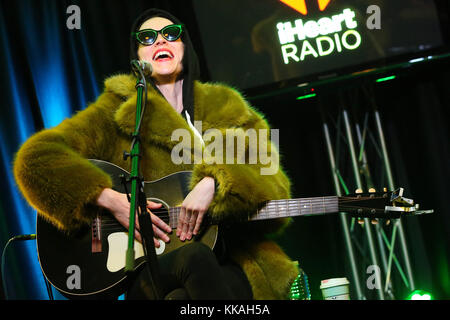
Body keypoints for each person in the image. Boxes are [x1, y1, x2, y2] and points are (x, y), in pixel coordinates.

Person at [13, 8, 299, 300]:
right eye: (147, 38)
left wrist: (215, 182)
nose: (160, 41)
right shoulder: (115, 109)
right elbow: (35, 159)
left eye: (171, 34)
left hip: (234, 258)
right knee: (194, 258)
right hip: (150, 265)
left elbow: (275, 182)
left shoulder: (228, 107)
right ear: (138, 57)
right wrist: (111, 201)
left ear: (185, 47)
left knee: (183, 293)